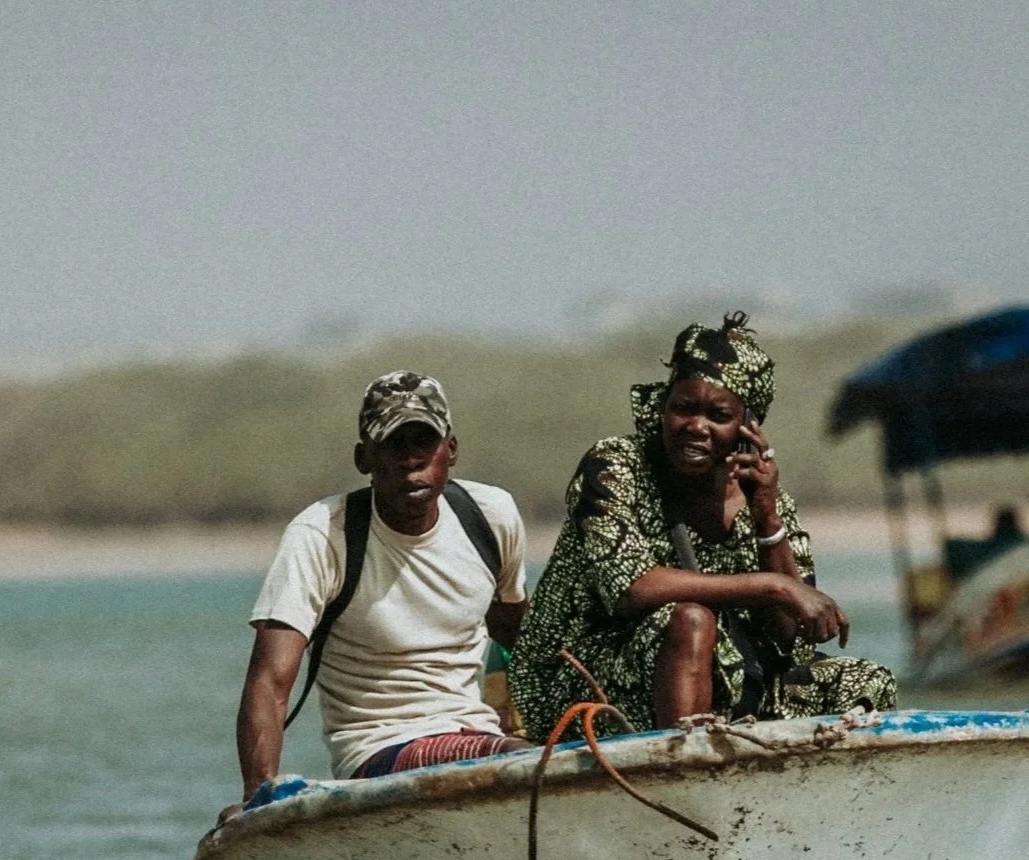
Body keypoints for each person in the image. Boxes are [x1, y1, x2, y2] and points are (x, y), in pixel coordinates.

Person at [509, 313, 898, 738]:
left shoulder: (765, 495)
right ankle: (681, 769)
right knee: (689, 620)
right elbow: (633, 589)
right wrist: (773, 585)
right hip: (588, 682)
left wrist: (766, 516)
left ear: (747, 429)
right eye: (683, 408)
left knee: (867, 680)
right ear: (663, 408)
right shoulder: (615, 466)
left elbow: (791, 639)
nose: (696, 427)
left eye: (718, 415)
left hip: (727, 678)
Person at [229, 371, 529, 816]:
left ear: (451, 449)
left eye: (422, 441)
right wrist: (257, 798)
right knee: (525, 762)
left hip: (479, 733)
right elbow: (270, 681)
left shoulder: (490, 516)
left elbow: (518, 635)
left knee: (565, 753)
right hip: (378, 749)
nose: (410, 459)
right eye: (392, 444)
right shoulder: (322, 535)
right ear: (363, 458)